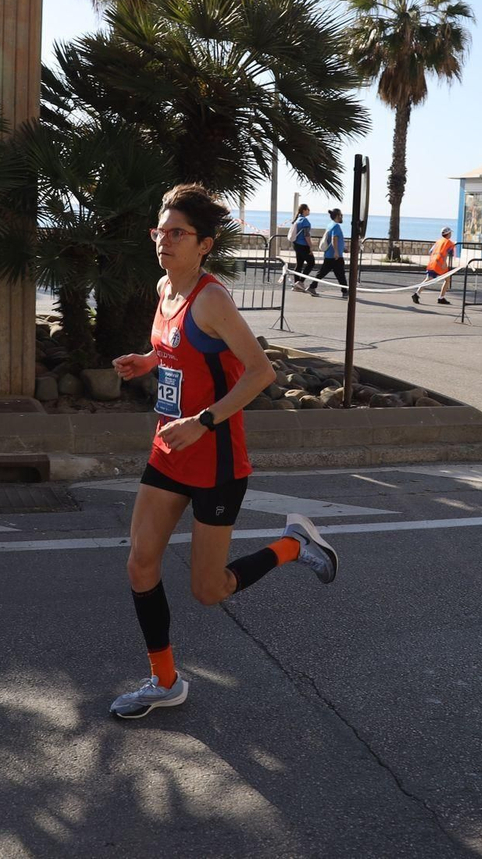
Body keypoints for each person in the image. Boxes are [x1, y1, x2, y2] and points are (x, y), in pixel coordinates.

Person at [108, 184, 336, 720]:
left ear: (204, 244)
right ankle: (165, 681)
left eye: (177, 234)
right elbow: (176, 349)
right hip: (169, 448)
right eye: (159, 232)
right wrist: (147, 361)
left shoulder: (212, 299)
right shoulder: (165, 287)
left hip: (216, 460)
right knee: (141, 564)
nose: (164, 241)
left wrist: (205, 421)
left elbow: (261, 373)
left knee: (209, 591)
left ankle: (290, 545)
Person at [307, 208, 347, 298]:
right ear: (337, 216)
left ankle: (312, 287)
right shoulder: (336, 226)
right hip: (335, 256)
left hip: (329, 255)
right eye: (341, 215)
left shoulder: (330, 225)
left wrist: (343, 248)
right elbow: (334, 239)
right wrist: (336, 252)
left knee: (325, 273)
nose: (342, 217)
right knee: (340, 274)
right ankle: (345, 292)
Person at [413, 226, 456, 305]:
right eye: (450, 233)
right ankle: (441, 298)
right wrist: (443, 263)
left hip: (433, 262)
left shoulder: (438, 242)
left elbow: (430, 251)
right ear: (448, 234)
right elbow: (448, 253)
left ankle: (417, 293)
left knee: (428, 279)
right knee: (447, 280)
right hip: (441, 264)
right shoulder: (449, 242)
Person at [287, 205, 314, 291]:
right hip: (303, 245)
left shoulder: (297, 220)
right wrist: (310, 246)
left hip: (296, 244)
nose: (309, 211)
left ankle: (297, 284)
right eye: (308, 209)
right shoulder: (304, 221)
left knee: (299, 264)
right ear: (304, 210)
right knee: (311, 262)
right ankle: (300, 282)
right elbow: (306, 235)